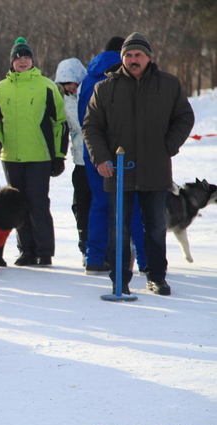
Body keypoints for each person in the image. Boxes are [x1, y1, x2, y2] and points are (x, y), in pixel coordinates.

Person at [83, 32, 194, 296]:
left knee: (155, 226)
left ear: (149, 57)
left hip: (155, 169)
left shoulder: (167, 84)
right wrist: (101, 158)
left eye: (138, 55)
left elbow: (184, 117)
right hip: (118, 170)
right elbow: (91, 126)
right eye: (129, 55)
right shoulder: (105, 87)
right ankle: (119, 279)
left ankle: (157, 277)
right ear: (122, 58)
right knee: (118, 228)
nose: (133, 60)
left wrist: (169, 145)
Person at [0, 37, 67, 266]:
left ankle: (44, 251)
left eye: (26, 57)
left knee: (38, 204)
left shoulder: (46, 86)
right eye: (17, 58)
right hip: (11, 156)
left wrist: (59, 155)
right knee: (17, 206)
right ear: (11, 62)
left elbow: (59, 122)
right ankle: (26, 251)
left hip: (39, 156)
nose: (22, 61)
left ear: (32, 60)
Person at [78, 36, 147, 275]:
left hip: (94, 153)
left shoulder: (87, 79)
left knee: (99, 205)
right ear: (123, 53)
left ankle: (94, 259)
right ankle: (145, 261)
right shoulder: (125, 77)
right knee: (134, 207)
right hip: (125, 153)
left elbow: (84, 121)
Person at [54, 58, 89, 262]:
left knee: (98, 206)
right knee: (80, 205)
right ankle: (84, 246)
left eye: (72, 82)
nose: (69, 87)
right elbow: (62, 127)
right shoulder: (65, 100)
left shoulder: (91, 94)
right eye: (65, 84)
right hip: (79, 160)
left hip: (99, 159)